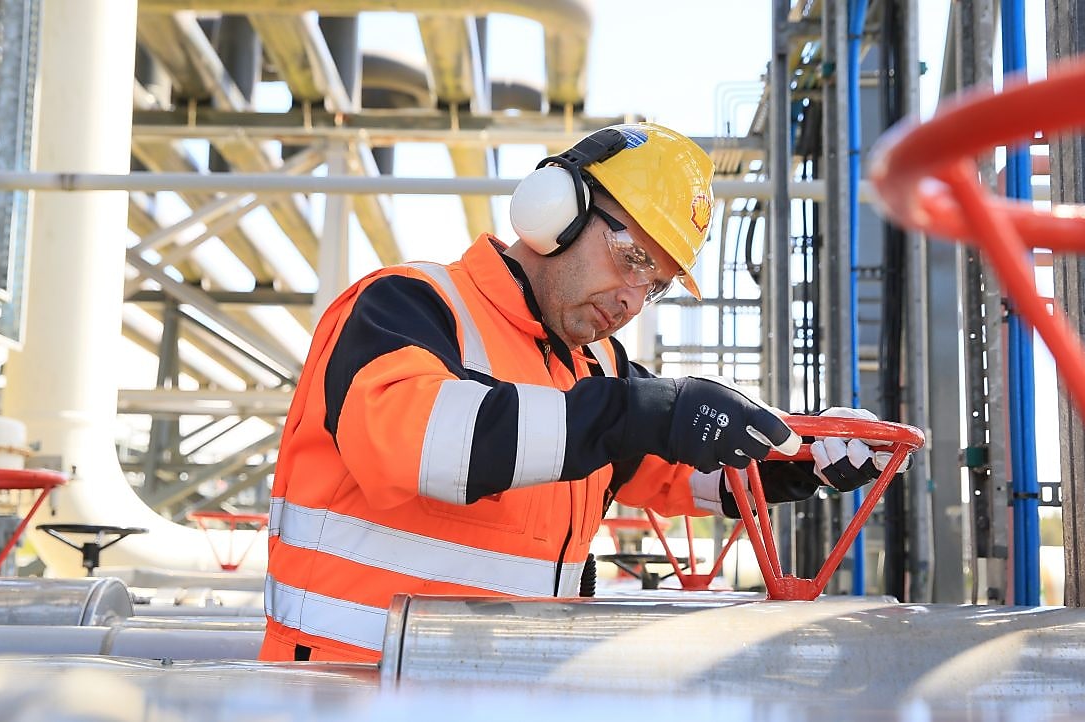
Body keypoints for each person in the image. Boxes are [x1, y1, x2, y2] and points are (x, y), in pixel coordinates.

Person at [259, 123, 892, 663]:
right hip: (338, 691)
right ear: (556, 209)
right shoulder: (410, 305)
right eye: (634, 258)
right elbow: (417, 443)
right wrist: (635, 412)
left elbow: (683, 468)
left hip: (503, 693)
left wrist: (807, 452)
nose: (633, 300)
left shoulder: (596, 370)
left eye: (658, 284)